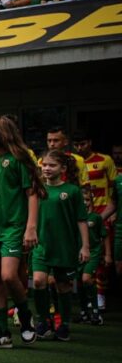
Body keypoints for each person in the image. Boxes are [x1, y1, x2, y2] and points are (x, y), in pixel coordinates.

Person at [0, 116, 42, 349]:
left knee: (8, 276)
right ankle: (1, 333)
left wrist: (31, 227)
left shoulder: (19, 160)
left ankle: (25, 317)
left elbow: (32, 193)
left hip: (13, 228)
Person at [30, 149, 88, 342]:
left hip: (65, 246)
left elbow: (81, 220)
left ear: (62, 168)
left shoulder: (72, 191)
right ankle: (44, 321)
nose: (46, 168)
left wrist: (85, 246)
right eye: (44, 164)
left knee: (63, 286)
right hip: (41, 244)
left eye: (51, 165)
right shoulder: (36, 189)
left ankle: (63, 324)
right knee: (38, 281)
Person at [72, 132, 115, 308]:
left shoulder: (105, 160)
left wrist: (112, 211)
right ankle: (86, 298)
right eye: (76, 145)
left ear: (89, 142)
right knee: (82, 255)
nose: (79, 148)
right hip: (81, 214)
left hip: (102, 211)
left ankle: (100, 295)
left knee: (102, 256)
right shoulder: (73, 162)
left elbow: (113, 188)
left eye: (82, 144)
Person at [80, 190, 108, 325]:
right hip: (77, 253)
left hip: (93, 252)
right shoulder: (74, 217)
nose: (85, 203)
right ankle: (84, 313)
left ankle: (96, 312)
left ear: (92, 201)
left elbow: (105, 236)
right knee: (79, 282)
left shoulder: (96, 217)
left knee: (86, 279)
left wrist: (107, 255)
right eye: (82, 200)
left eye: (87, 200)